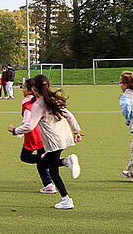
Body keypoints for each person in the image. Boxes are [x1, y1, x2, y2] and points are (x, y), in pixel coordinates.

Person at [8, 75, 82, 210]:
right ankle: (65, 162)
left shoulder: (38, 105)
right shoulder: (53, 99)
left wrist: (15, 130)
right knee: (45, 163)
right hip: (64, 137)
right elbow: (69, 115)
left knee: (53, 170)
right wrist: (76, 131)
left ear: (34, 89)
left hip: (53, 140)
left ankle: (66, 199)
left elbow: (30, 126)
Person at [17, 78, 56, 193]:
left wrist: (19, 131)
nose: (22, 90)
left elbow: (27, 119)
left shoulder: (27, 102)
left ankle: (48, 160)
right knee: (40, 160)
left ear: (31, 90)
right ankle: (49, 184)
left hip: (33, 134)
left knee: (25, 156)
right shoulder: (42, 99)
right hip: (44, 133)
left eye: (24, 87)